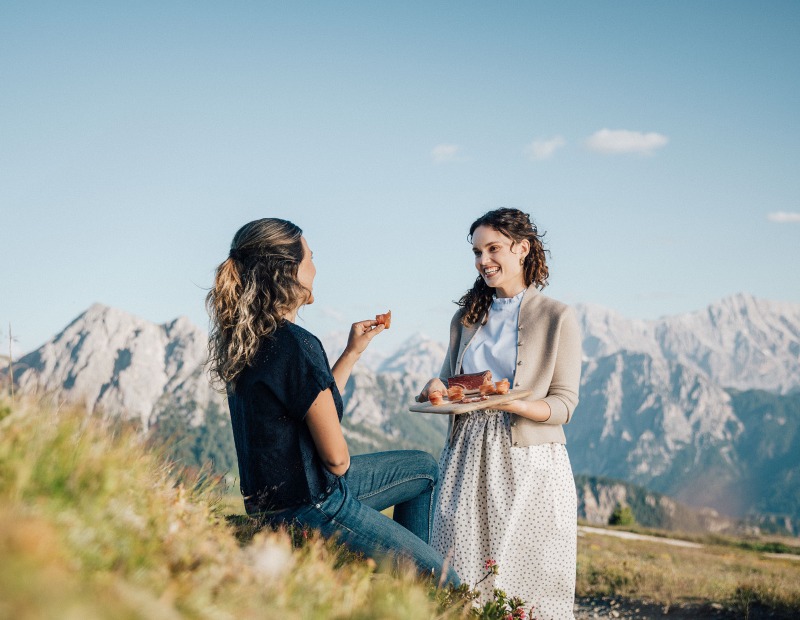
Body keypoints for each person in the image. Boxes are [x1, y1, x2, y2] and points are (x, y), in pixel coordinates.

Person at [207, 217, 459, 586]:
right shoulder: (296, 343)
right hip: (313, 506)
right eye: (310, 256)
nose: (315, 266)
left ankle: (404, 584)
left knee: (423, 468)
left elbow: (312, 401)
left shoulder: (249, 342)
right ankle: (418, 586)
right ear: (289, 271)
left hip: (273, 506)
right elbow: (337, 461)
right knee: (445, 581)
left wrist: (352, 353)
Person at [418, 208, 581, 618]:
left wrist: (515, 404)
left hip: (530, 459)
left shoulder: (558, 317)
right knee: (460, 568)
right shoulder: (466, 318)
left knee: (530, 575)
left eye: (493, 248)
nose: (483, 261)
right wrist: (435, 388)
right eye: (477, 252)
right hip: (466, 454)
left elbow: (563, 404)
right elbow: (447, 383)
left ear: (522, 248)